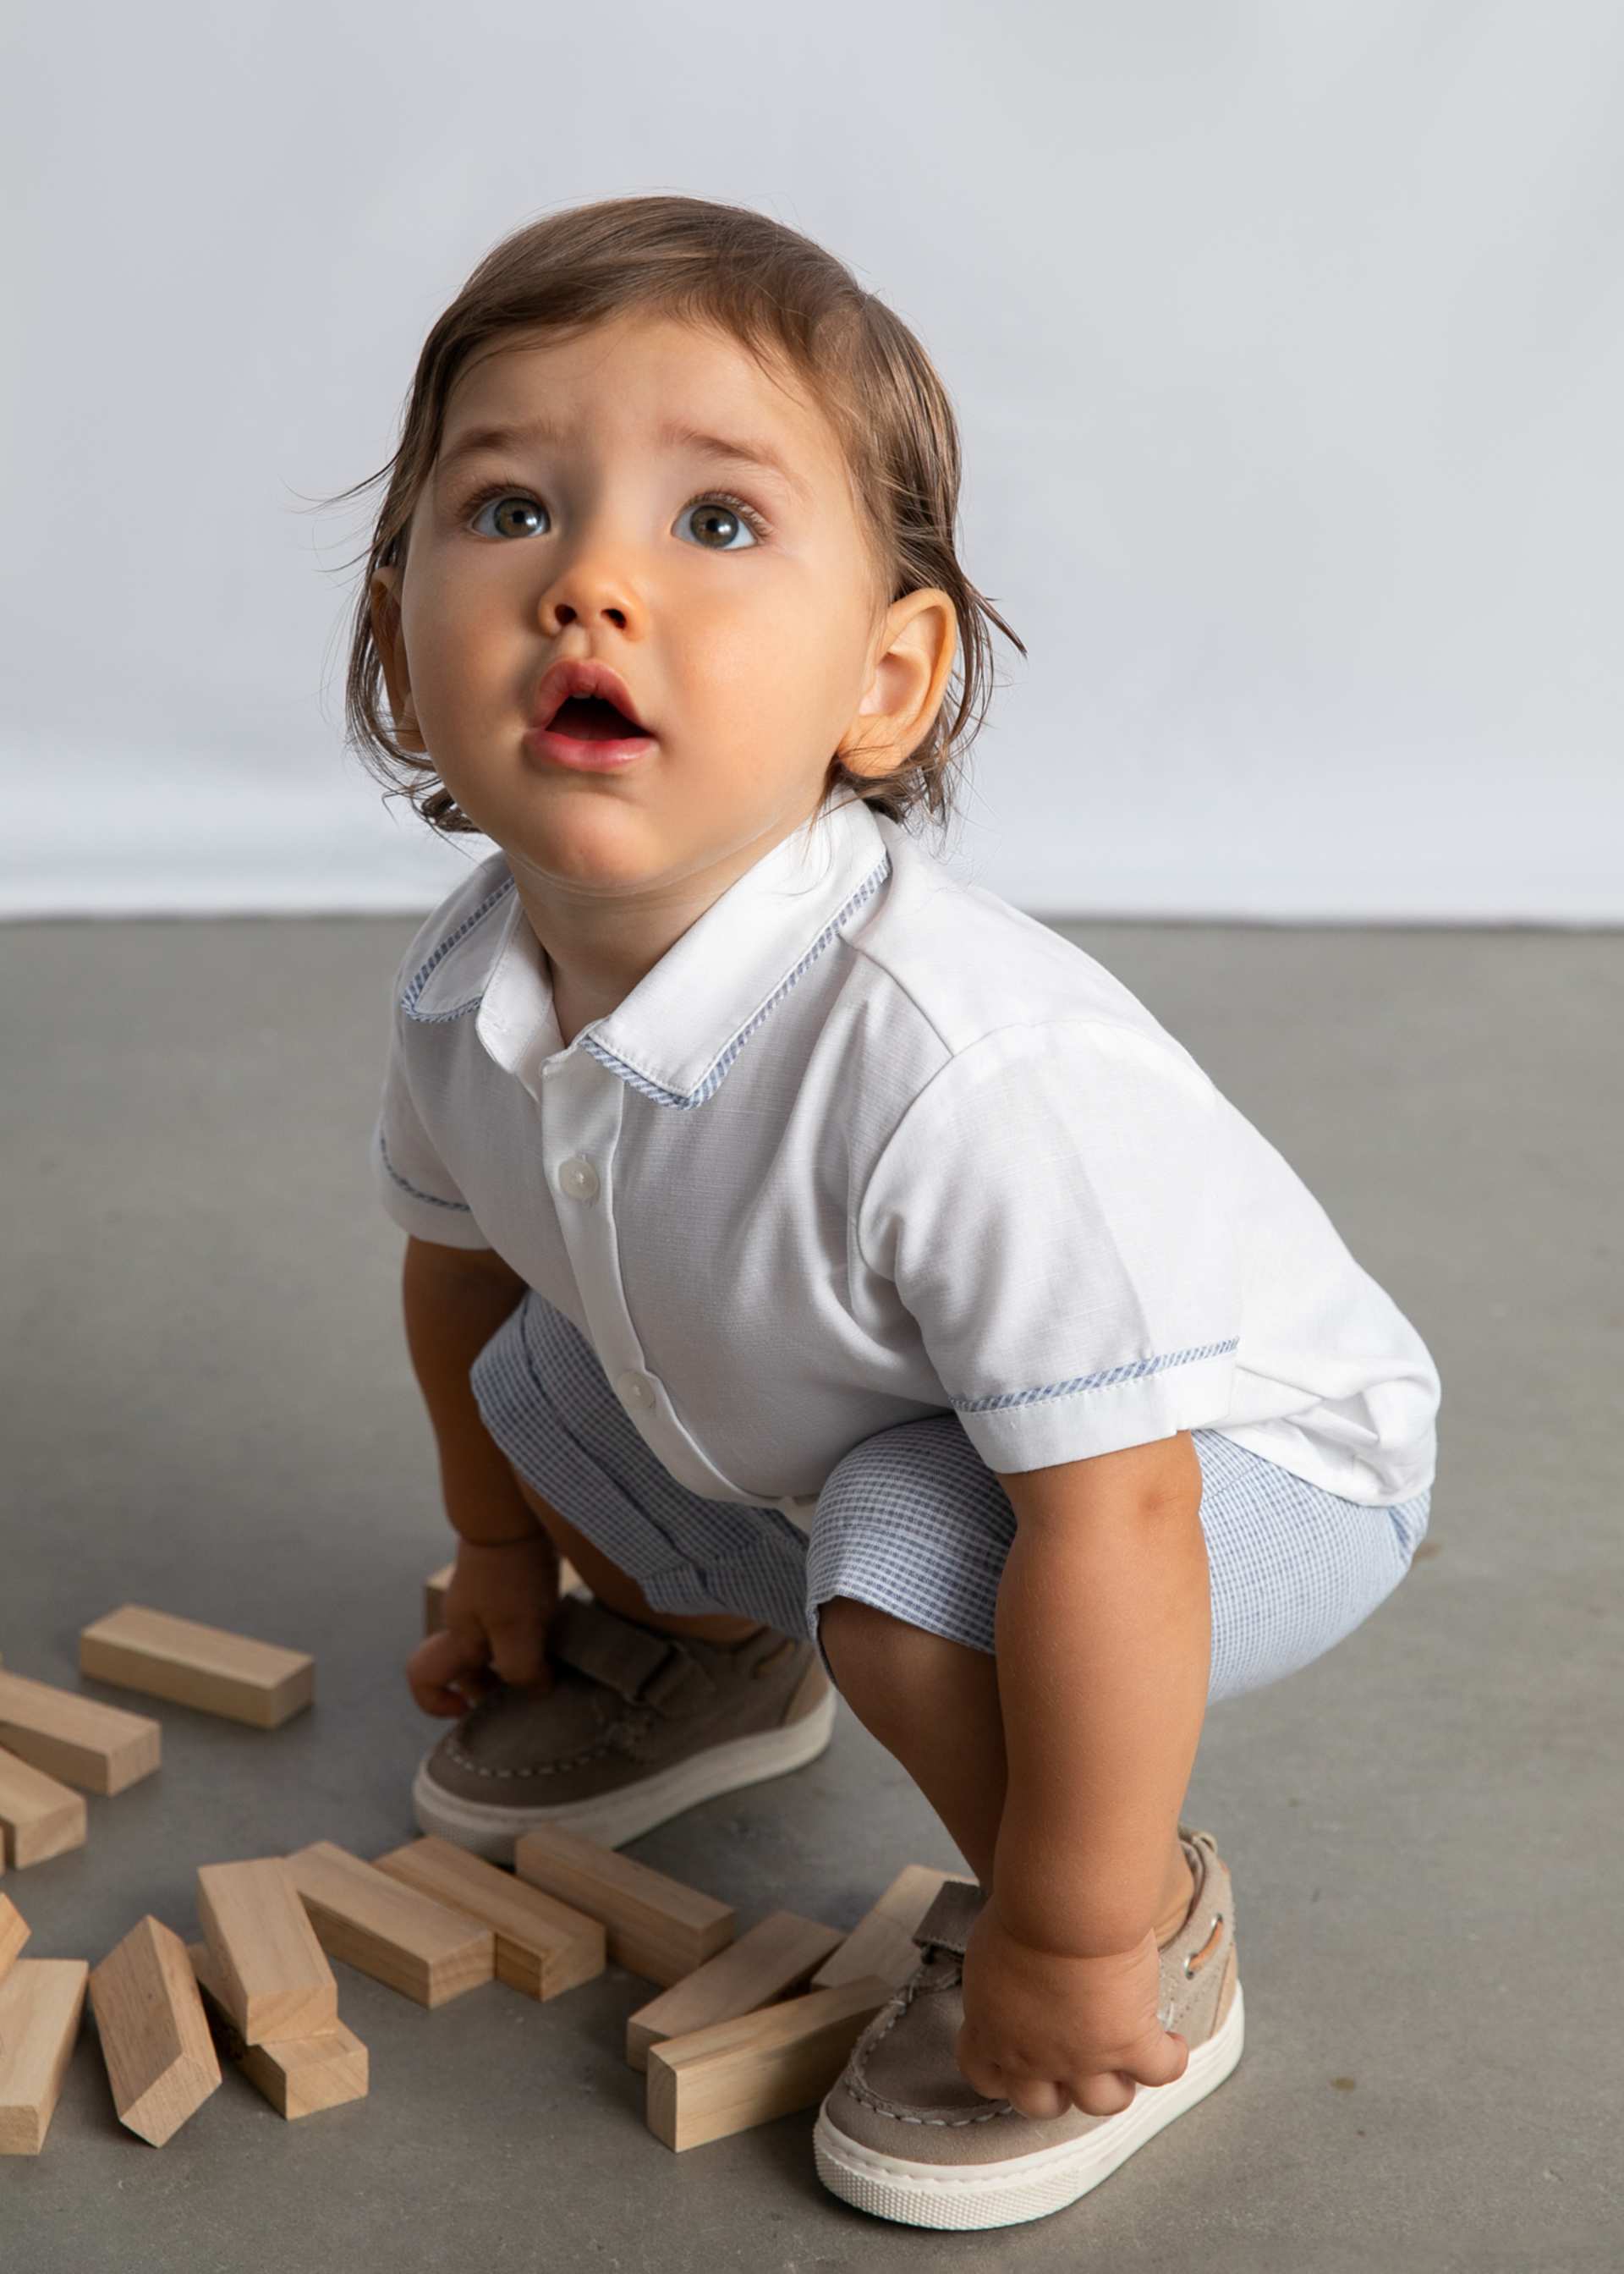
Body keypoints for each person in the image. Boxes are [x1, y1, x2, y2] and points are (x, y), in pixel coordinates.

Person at [343, 193, 1440, 2233]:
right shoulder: (466, 984)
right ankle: (704, 1655)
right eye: (510, 511)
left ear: (888, 678)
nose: (590, 582)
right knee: (541, 1375)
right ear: (396, 643)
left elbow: (1122, 1513)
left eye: (717, 523)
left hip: (1241, 1461)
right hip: (910, 1414)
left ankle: (1142, 1919)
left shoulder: (953, 1067)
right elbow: (463, 1271)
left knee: (910, 1547)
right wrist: (501, 1551)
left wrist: (1067, 1936)